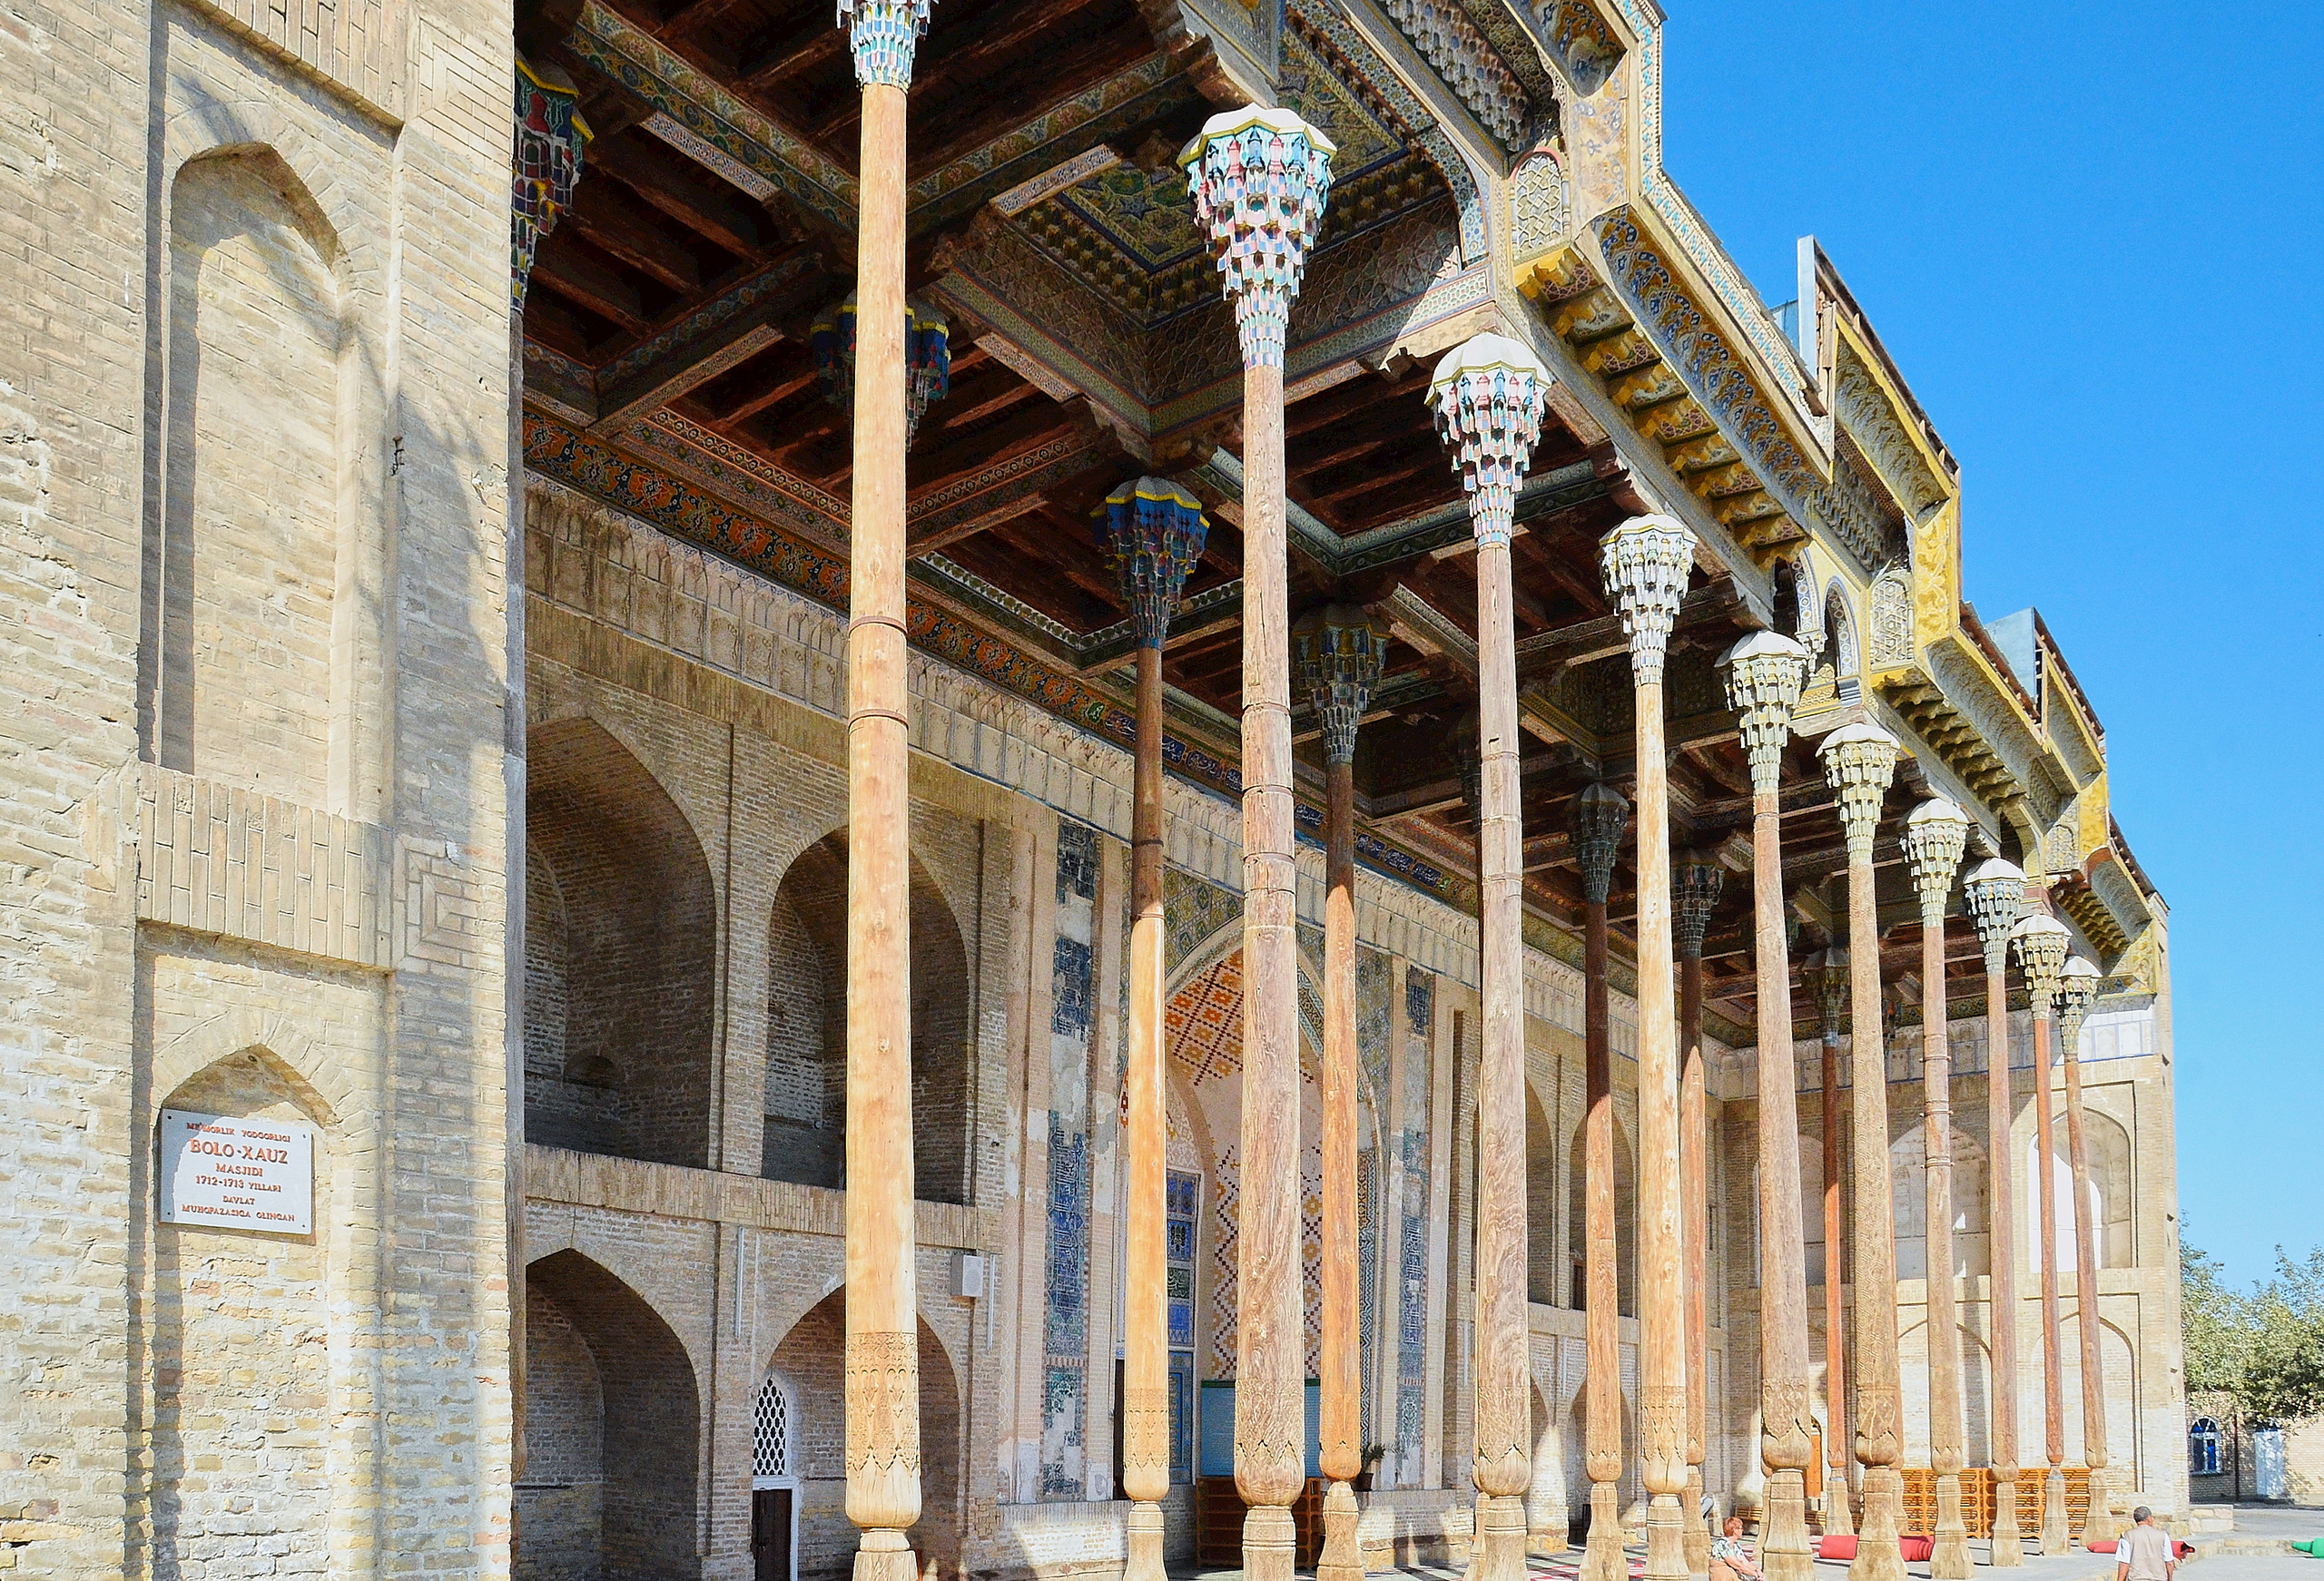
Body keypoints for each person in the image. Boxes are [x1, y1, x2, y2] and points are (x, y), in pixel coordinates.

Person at [2117, 1507, 2175, 1581]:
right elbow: (2169, 1562)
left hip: (2136, 1578)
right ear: (2149, 1518)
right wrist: (2170, 1579)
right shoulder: (2163, 1535)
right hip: (2158, 1578)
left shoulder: (2127, 1535)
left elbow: (2124, 1563)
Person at [1711, 1515, 1763, 1581]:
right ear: (1734, 1530)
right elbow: (1737, 1565)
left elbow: (1745, 1562)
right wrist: (1753, 1574)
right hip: (1722, 1576)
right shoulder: (1723, 1544)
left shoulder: (1736, 1545)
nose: (1742, 1530)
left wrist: (1757, 1570)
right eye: (1740, 1528)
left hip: (1731, 1576)